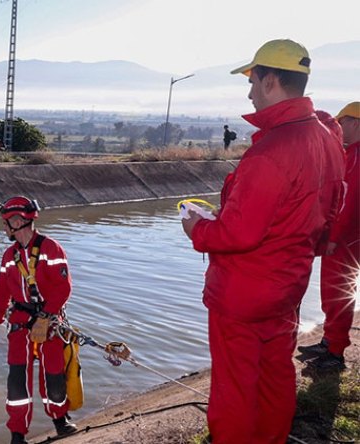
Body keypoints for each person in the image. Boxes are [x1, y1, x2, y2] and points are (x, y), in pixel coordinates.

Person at [180, 39, 344, 443]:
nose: (249, 91)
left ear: (271, 80)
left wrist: (197, 229)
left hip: (243, 293)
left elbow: (238, 233)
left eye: (253, 80)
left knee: (234, 390)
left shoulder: (272, 150)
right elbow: (328, 211)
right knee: (275, 377)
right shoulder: (325, 137)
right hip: (288, 286)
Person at [0, 196, 77, 444]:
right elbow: (2, 291)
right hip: (19, 320)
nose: (4, 228)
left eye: (6, 223)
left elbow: (63, 288)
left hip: (50, 321)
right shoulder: (9, 256)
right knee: (17, 377)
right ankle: (17, 434)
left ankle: (60, 420)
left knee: (54, 372)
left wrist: (46, 317)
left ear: (18, 221)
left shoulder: (51, 248)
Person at [299, 101, 360, 371]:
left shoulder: (357, 157)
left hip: (347, 240)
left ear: (356, 122)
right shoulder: (351, 154)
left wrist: (333, 237)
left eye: (342, 121)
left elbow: (349, 202)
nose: (338, 126)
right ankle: (329, 340)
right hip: (346, 238)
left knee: (338, 293)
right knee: (333, 292)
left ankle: (335, 353)